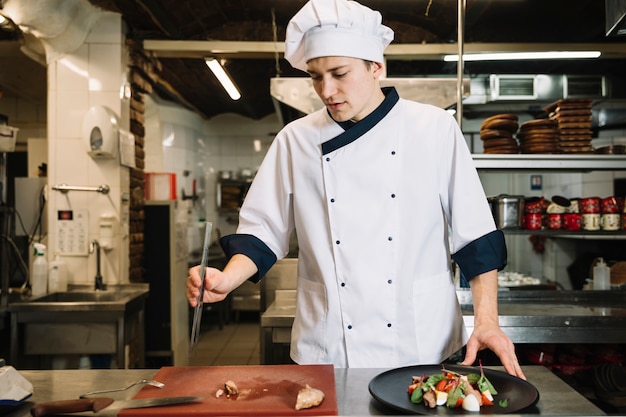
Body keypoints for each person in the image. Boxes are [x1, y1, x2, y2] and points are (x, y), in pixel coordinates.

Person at [187, 0, 525, 379]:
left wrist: (488, 320)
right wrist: (225, 280)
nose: (326, 90)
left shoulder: (433, 129)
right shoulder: (295, 139)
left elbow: (475, 237)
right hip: (330, 341)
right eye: (316, 76)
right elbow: (262, 231)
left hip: (419, 340)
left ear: (376, 67)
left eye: (339, 73)